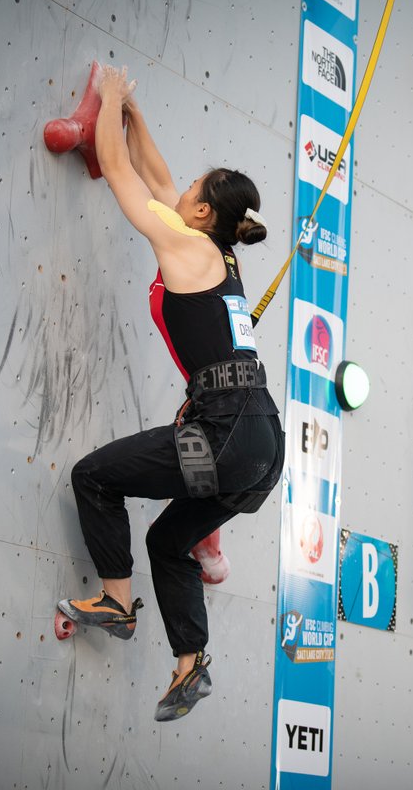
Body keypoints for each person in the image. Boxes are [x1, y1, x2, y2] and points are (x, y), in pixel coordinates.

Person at [56, 65, 284, 723]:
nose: (178, 187)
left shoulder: (185, 244)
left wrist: (109, 106)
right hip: (258, 449)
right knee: (168, 543)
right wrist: (135, 114)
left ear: (204, 212)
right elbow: (155, 174)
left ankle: (117, 602)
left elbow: (121, 175)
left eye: (190, 189)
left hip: (225, 434)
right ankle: (190, 666)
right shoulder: (220, 254)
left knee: (95, 477)